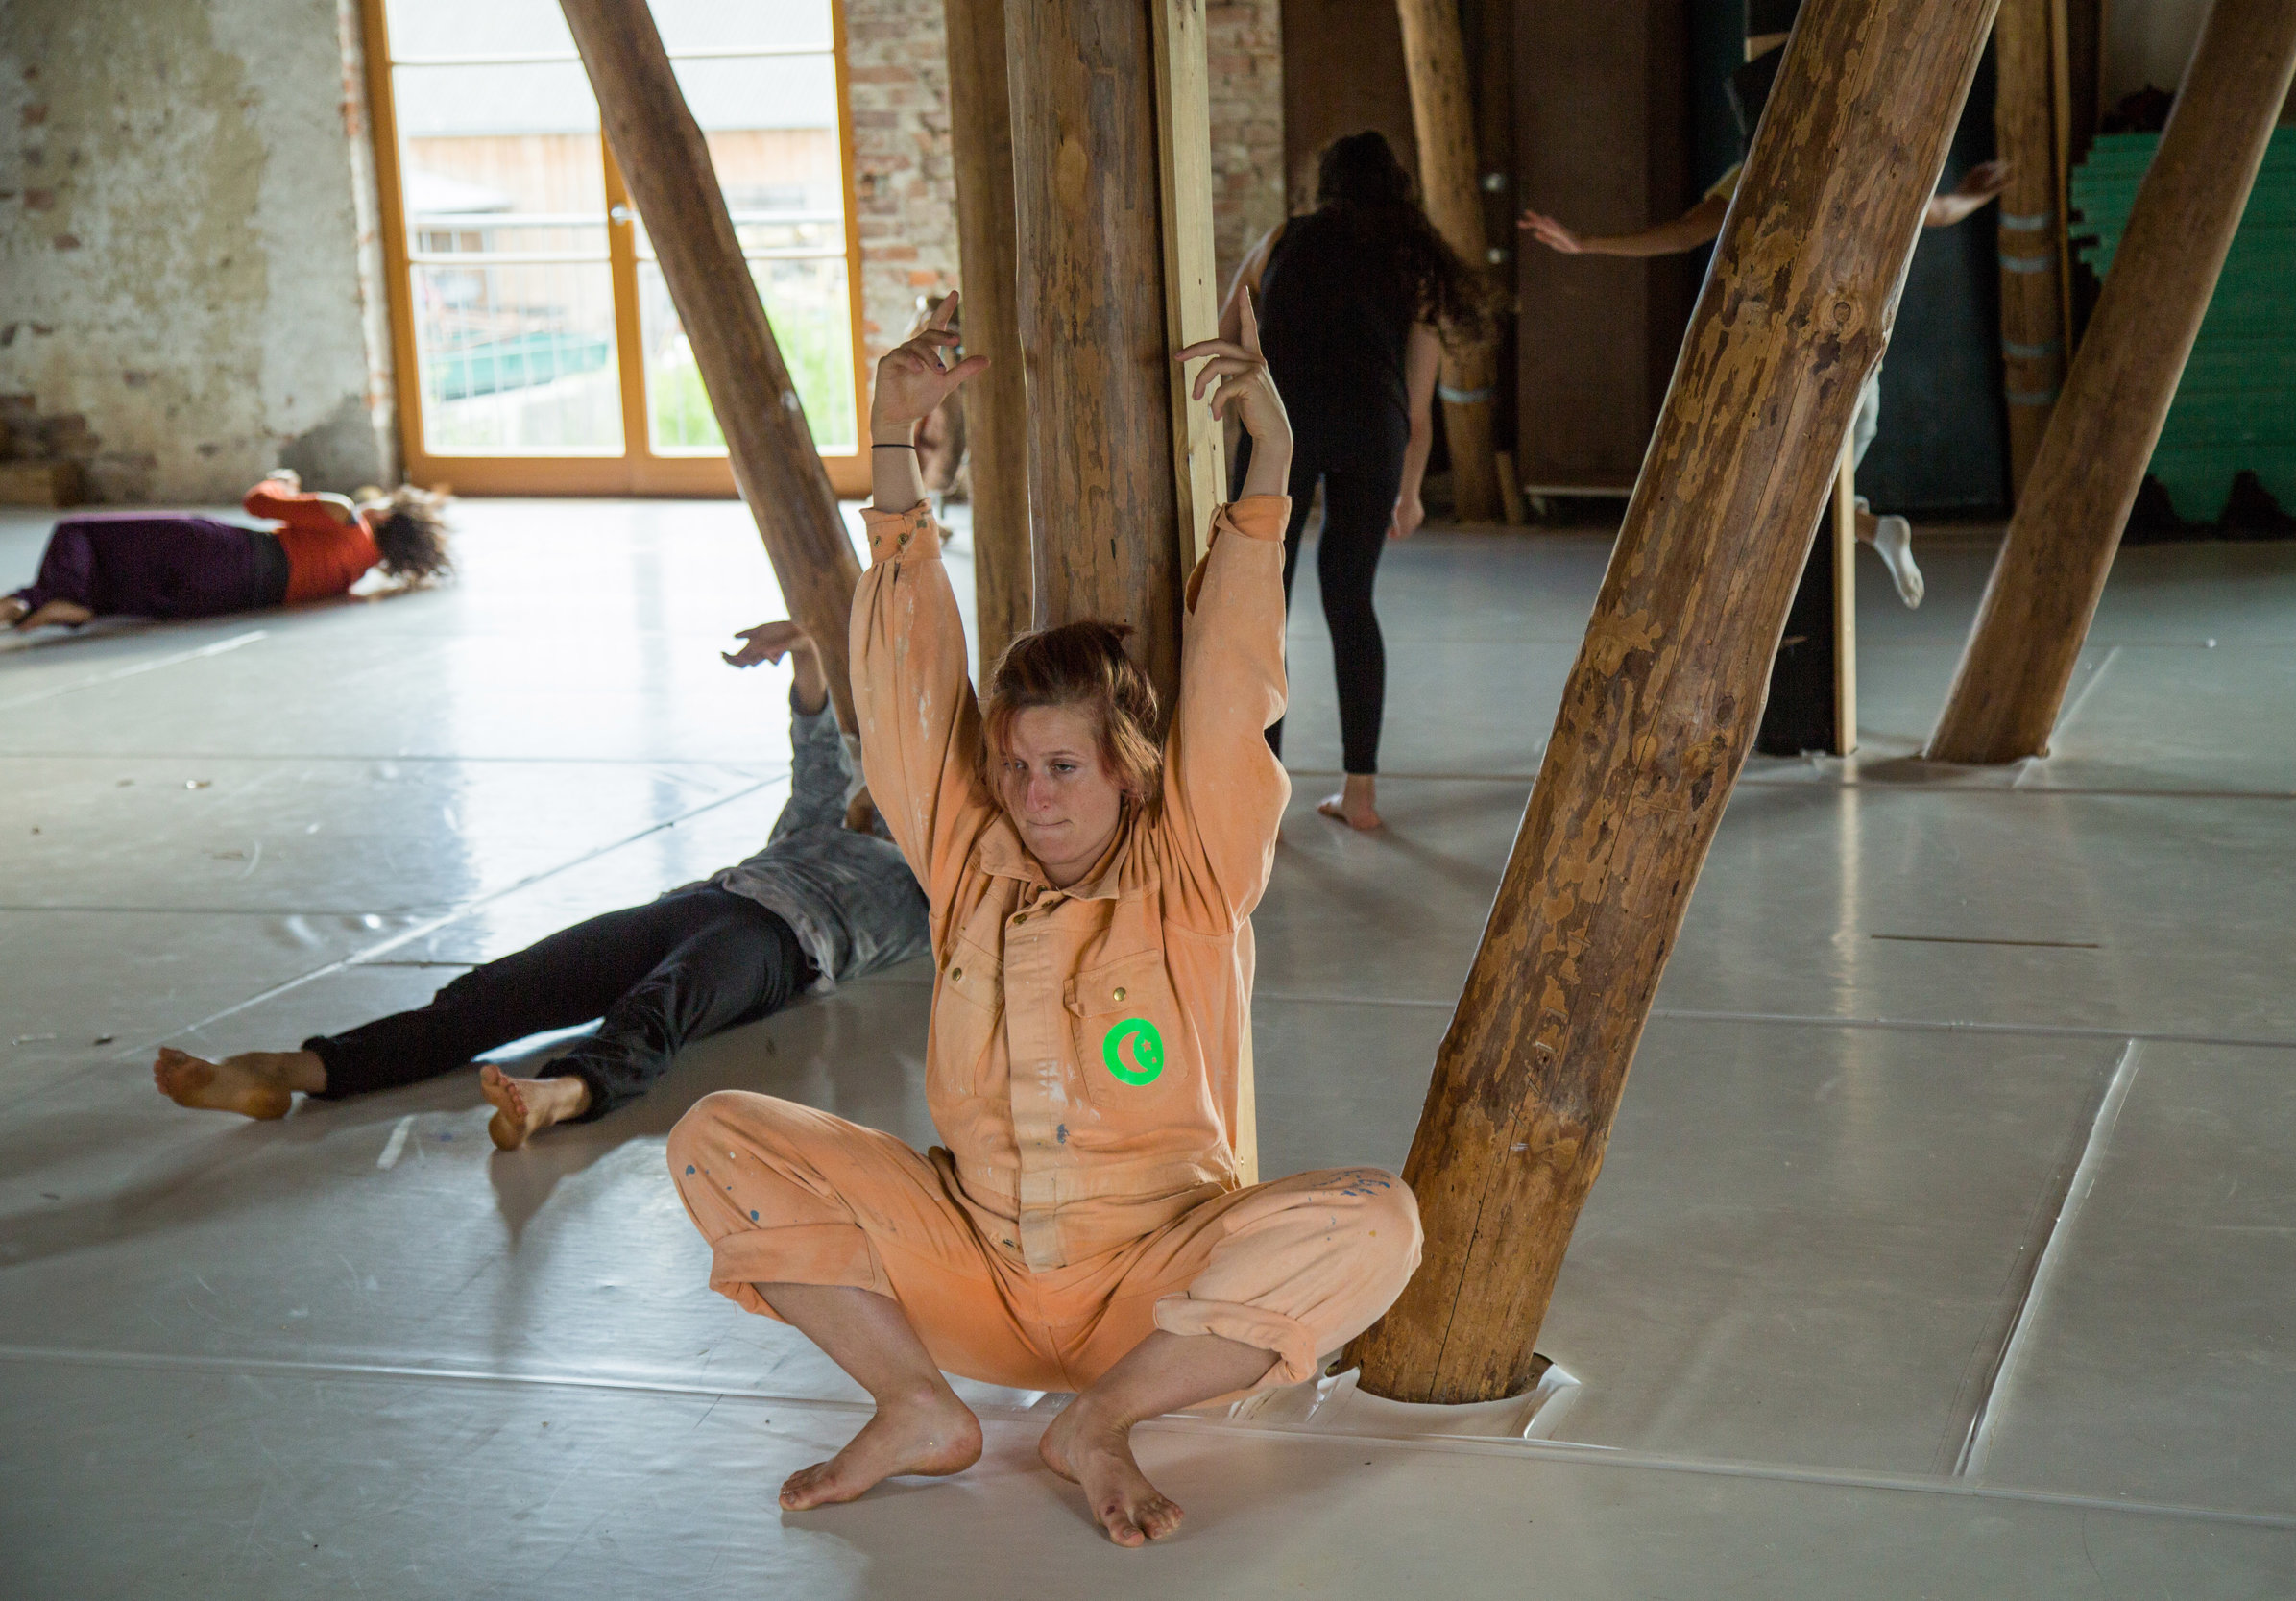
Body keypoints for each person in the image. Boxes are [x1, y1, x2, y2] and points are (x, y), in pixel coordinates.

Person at [663, 290, 1420, 1548]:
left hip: (1152, 1291)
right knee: (713, 1132)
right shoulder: (975, 867)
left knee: (1379, 1220)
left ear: (1126, 765)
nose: (1032, 794)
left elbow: (1235, 680)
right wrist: (896, 453)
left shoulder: (1194, 871)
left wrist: (1272, 462)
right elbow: (906, 693)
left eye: (1063, 767)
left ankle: (1100, 1420)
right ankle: (917, 1404)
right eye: (1015, 766)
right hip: (977, 1274)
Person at [153, 628, 929, 1150]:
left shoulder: (929, 877)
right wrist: (805, 648)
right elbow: (816, 744)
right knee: (501, 988)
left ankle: (561, 1094)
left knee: (658, 1010)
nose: (874, 786)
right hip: (692, 905)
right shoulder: (817, 819)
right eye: (874, 775)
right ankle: (288, 1070)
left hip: (780, 945)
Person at [1521, 157, 2010, 610]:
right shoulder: (1860, 165)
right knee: (1805, 502)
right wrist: (1974, 193)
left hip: (1807, 377)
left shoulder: (1765, 170)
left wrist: (1588, 243)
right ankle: (1873, 528)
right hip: (1860, 376)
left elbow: (1686, 233)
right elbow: (1943, 211)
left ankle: (1871, 530)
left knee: (1784, 501)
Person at [1216, 131, 1496, 830]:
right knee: (1350, 601)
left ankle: (1261, 798)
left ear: (1325, 184)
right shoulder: (1412, 262)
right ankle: (1361, 796)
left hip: (1282, 426)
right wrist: (1408, 490)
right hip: (1375, 431)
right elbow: (1418, 402)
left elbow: (1226, 330)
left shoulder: (1284, 236)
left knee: (1263, 608)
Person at [4, 471, 452, 628]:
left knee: (80, 532)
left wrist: (282, 482)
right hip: (227, 598)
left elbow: (257, 503)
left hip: (226, 551)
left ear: (386, 517)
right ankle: (77, 607)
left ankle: (32, 600)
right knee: (124, 582)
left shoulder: (347, 515)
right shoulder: (354, 573)